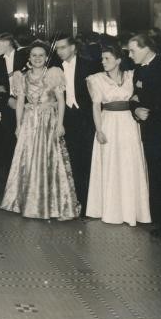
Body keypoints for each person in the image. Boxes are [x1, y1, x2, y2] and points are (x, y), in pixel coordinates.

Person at [0, 42, 80, 221]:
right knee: (27, 159)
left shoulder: (53, 74)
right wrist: (18, 125)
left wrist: (60, 124)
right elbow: (20, 102)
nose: (37, 58)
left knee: (49, 159)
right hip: (30, 122)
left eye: (41, 55)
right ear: (29, 58)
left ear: (46, 57)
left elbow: (61, 100)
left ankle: (49, 204)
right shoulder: (22, 77)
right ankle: (26, 201)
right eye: (34, 55)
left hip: (48, 122)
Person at [85, 46, 151, 226]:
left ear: (119, 60)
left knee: (130, 163)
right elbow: (95, 106)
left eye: (107, 58)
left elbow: (139, 96)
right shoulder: (96, 79)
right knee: (110, 163)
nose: (103, 62)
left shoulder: (131, 76)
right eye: (102, 59)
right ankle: (110, 210)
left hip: (129, 124)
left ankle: (132, 211)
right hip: (108, 123)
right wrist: (99, 130)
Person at [128, 34, 161, 237]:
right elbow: (134, 98)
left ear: (146, 48)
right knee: (155, 174)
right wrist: (136, 110)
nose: (130, 55)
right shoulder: (139, 70)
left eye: (133, 51)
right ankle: (159, 219)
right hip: (148, 131)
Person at [54, 34, 102, 216]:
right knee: (72, 161)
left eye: (63, 47)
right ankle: (76, 202)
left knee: (87, 160)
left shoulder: (90, 65)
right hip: (67, 118)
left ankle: (89, 204)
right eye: (57, 48)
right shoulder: (55, 68)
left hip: (86, 118)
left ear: (73, 48)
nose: (59, 51)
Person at [0, 32, 25, 195]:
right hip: (6, 107)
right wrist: (7, 98)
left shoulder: (24, 56)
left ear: (8, 42)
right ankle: (9, 186)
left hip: (27, 105)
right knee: (7, 145)